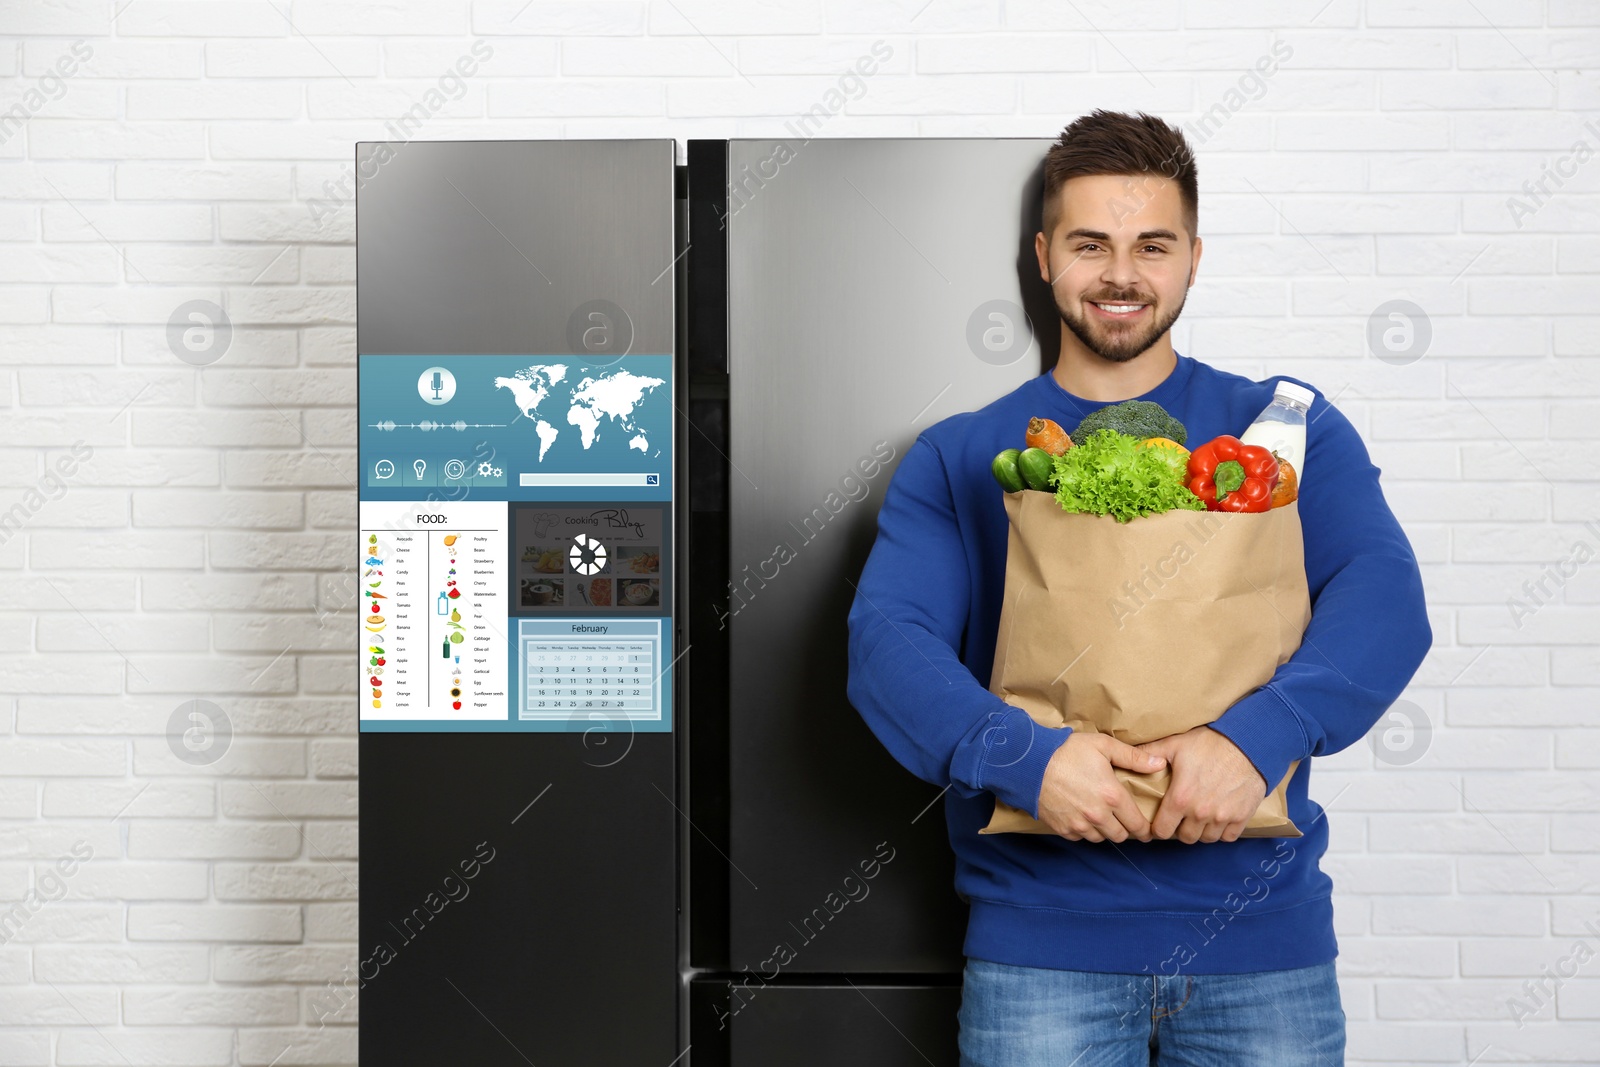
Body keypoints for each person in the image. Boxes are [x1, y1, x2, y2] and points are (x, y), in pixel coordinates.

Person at [845, 109, 1432, 1066]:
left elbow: (1384, 598)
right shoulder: (963, 454)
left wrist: (1256, 740)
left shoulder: (1281, 431)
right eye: (1091, 244)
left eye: (1151, 245)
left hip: (1263, 947)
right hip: (1041, 952)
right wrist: (1026, 759)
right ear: (1043, 257)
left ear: (1194, 257)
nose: (1122, 274)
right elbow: (887, 645)